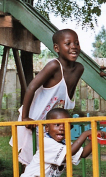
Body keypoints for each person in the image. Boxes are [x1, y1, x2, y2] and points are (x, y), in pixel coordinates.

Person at [11, 29, 84, 166]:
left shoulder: (79, 68)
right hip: (34, 118)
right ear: (57, 48)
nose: (73, 46)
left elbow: (67, 97)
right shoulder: (54, 66)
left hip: (52, 123)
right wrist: (25, 117)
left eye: (76, 43)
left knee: (51, 159)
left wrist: (66, 117)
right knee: (29, 160)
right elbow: (31, 87)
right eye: (68, 44)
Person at [19, 108, 105, 177]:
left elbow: (84, 153)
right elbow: (70, 152)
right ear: (47, 128)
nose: (62, 128)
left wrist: (95, 138)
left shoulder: (65, 144)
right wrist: (85, 134)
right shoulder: (47, 142)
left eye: (66, 125)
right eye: (57, 124)